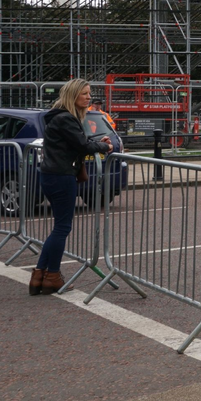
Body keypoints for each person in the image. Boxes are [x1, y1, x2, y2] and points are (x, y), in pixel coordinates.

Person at [29, 79, 113, 296]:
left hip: (52, 175)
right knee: (62, 228)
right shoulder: (66, 118)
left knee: (59, 228)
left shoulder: (60, 117)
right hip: (61, 176)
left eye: (89, 93)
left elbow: (76, 142)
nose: (88, 97)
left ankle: (40, 275)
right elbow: (82, 145)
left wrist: (96, 141)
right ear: (72, 96)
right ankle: (53, 276)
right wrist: (105, 145)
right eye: (84, 94)